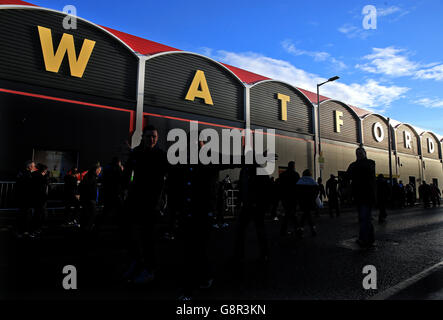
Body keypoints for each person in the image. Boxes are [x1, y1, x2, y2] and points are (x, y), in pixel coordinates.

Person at [123, 125, 168, 284]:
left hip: (152, 203)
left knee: (148, 238)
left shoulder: (161, 155)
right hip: (135, 200)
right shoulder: (136, 153)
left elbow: (168, 177)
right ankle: (137, 263)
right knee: (131, 235)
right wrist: (125, 190)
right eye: (149, 136)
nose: (152, 139)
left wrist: (162, 201)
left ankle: (150, 269)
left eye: (154, 137)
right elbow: (127, 174)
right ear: (143, 137)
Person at [346, 146, 376, 248]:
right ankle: (370, 238)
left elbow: (367, 172)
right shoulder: (355, 165)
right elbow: (347, 176)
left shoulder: (369, 163)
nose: (359, 154)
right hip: (359, 196)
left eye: (360, 152)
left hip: (367, 195)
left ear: (365, 153)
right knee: (365, 218)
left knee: (364, 218)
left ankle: (363, 238)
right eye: (357, 153)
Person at [15, 160, 36, 238]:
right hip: (26, 199)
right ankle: (22, 231)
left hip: (23, 198)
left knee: (23, 215)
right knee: (25, 216)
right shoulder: (28, 175)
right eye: (34, 166)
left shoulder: (22, 173)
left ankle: (22, 231)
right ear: (30, 166)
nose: (35, 167)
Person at [279, 161, 301, 237]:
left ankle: (284, 230)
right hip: (293, 197)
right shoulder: (296, 174)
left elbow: (280, 186)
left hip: (285, 197)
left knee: (288, 213)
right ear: (293, 166)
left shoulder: (282, 175)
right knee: (292, 214)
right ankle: (297, 229)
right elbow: (298, 187)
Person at [297, 169, 319, 237]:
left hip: (302, 201)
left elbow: (297, 192)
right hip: (310, 201)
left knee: (305, 214)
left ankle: (301, 229)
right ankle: (312, 229)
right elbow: (316, 192)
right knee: (308, 215)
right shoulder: (313, 182)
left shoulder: (300, 181)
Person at [30, 163, 50, 237]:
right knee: (38, 215)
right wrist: (46, 177)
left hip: (35, 197)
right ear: (43, 170)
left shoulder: (33, 175)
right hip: (40, 198)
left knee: (37, 214)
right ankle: (34, 230)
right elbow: (46, 184)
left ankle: (35, 229)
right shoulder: (41, 177)